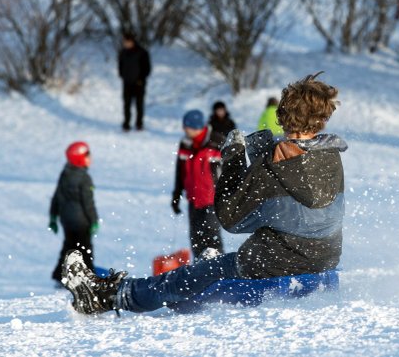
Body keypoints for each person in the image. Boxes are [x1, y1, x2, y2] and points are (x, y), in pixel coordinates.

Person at [60, 73, 346, 315]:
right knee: (212, 269)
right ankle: (206, 264)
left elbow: (232, 219)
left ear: (283, 116)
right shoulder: (331, 157)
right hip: (323, 261)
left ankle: (108, 296)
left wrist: (233, 161)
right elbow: (297, 206)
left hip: (272, 266)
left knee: (187, 279)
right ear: (321, 118)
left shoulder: (271, 168)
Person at [171, 110, 225, 260]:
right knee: (196, 240)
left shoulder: (217, 142)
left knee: (212, 239)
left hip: (212, 200)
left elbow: (229, 172)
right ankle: (199, 273)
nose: (185, 130)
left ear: (197, 127)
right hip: (193, 200)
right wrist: (176, 194)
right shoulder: (185, 144)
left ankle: (219, 273)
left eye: (187, 127)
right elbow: (180, 172)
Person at [50, 142, 100, 284]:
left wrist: (53, 216)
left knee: (70, 246)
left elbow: (56, 196)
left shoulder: (65, 173)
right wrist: (94, 220)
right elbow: (88, 203)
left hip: (66, 220)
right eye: (87, 156)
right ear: (79, 159)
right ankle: (89, 277)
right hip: (81, 221)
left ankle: (60, 274)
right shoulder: (84, 178)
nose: (90, 159)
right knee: (85, 248)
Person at [118, 32, 151, 132]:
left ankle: (139, 123)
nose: (125, 43)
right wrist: (122, 75)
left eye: (126, 41)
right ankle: (126, 123)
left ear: (132, 41)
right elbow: (120, 65)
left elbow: (147, 68)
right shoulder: (123, 52)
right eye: (124, 42)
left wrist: (141, 79)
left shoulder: (142, 52)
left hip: (139, 83)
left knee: (139, 105)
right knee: (126, 104)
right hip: (127, 82)